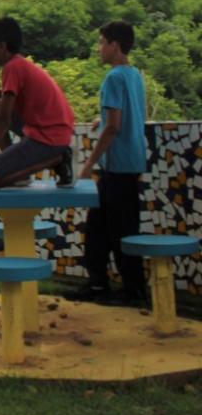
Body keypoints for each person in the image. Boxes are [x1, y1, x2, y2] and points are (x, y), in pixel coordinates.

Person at [73, 21, 148, 305]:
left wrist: (89, 163)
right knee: (102, 228)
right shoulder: (134, 75)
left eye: (102, 42)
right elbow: (123, 115)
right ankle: (99, 285)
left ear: (114, 45)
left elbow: (114, 126)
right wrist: (100, 119)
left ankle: (133, 291)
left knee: (118, 231)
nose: (98, 48)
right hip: (130, 162)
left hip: (116, 166)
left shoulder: (113, 78)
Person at [0, 17, 74, 190]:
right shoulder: (17, 64)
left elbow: (3, 120)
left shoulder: (12, 67)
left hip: (50, 137)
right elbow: (24, 94)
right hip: (47, 129)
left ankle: (59, 158)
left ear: (2, 47)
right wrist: (0, 92)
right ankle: (19, 174)